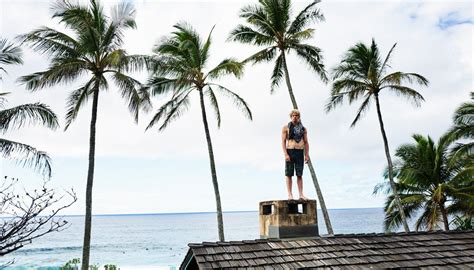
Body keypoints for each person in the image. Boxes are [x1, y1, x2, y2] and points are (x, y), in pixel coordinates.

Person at [282, 109, 309, 200]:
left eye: (296, 115)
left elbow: (306, 142)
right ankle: (290, 194)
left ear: (299, 117)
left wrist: (306, 155)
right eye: (293, 115)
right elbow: (283, 142)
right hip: (290, 151)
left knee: (299, 174)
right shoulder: (286, 127)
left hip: (299, 151)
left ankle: (301, 194)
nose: (295, 117)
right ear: (291, 117)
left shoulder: (303, 129)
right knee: (289, 174)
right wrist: (286, 154)